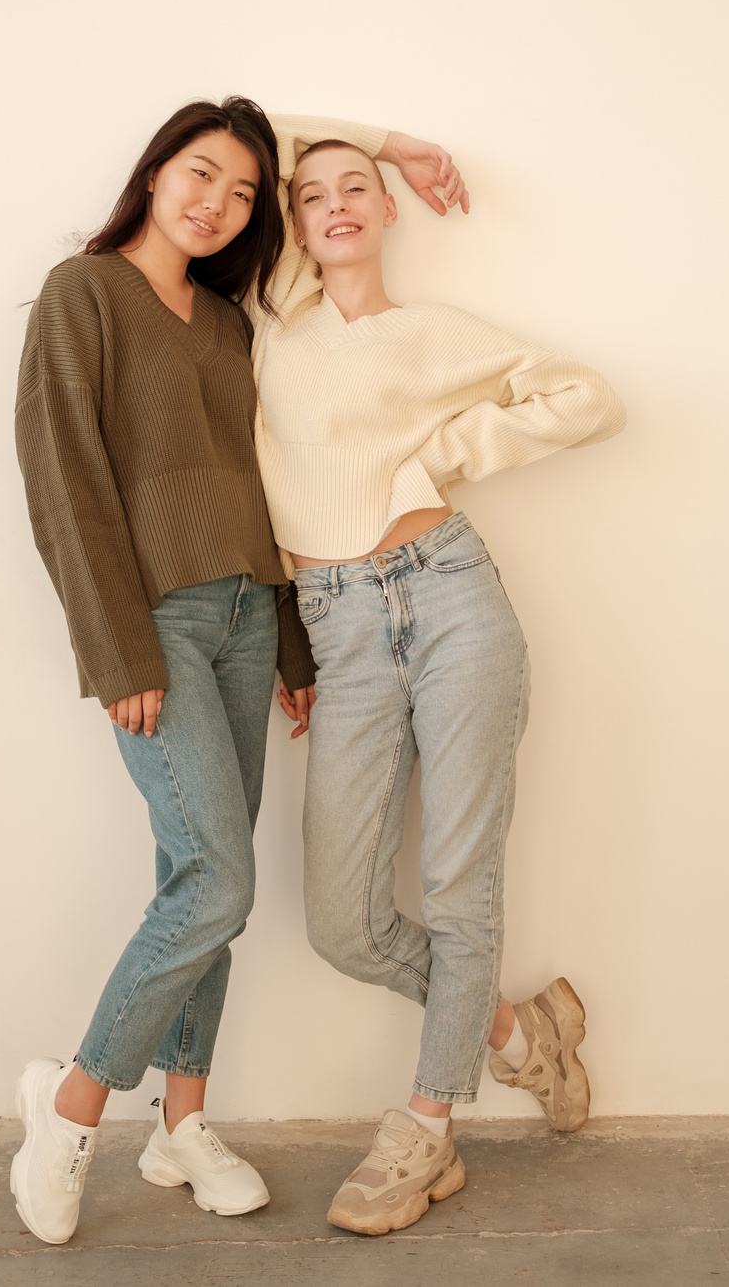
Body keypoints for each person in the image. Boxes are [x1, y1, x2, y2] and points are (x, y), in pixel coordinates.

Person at [11, 98, 464, 1245]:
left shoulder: (224, 325)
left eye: (245, 192)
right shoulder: (85, 294)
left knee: (196, 883)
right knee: (218, 883)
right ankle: (68, 1109)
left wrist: (294, 643)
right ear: (155, 170)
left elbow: (262, 496)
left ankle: (182, 1122)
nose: (217, 203)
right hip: (151, 625)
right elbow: (64, 483)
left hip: (248, 620)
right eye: (200, 174)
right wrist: (114, 648)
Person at [250, 134, 626, 1236]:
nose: (334, 204)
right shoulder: (276, 317)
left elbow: (586, 396)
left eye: (356, 187)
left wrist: (443, 455)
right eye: (311, 194)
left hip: (452, 598)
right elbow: (243, 128)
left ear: (387, 211)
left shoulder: (436, 337)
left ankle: (426, 1128)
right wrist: (384, 140)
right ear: (293, 217)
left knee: (462, 889)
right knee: (340, 922)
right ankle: (519, 1034)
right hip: (340, 630)